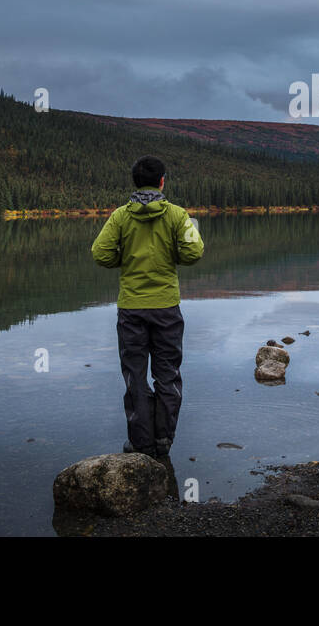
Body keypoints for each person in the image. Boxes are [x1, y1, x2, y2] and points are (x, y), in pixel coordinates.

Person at [91, 155, 204, 458]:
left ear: (134, 181)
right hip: (167, 308)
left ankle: (140, 443)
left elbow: (100, 254)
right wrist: (174, 256)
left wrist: (125, 260)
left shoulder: (119, 216)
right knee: (167, 374)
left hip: (131, 310)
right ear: (162, 181)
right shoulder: (179, 215)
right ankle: (164, 439)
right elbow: (194, 252)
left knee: (135, 376)